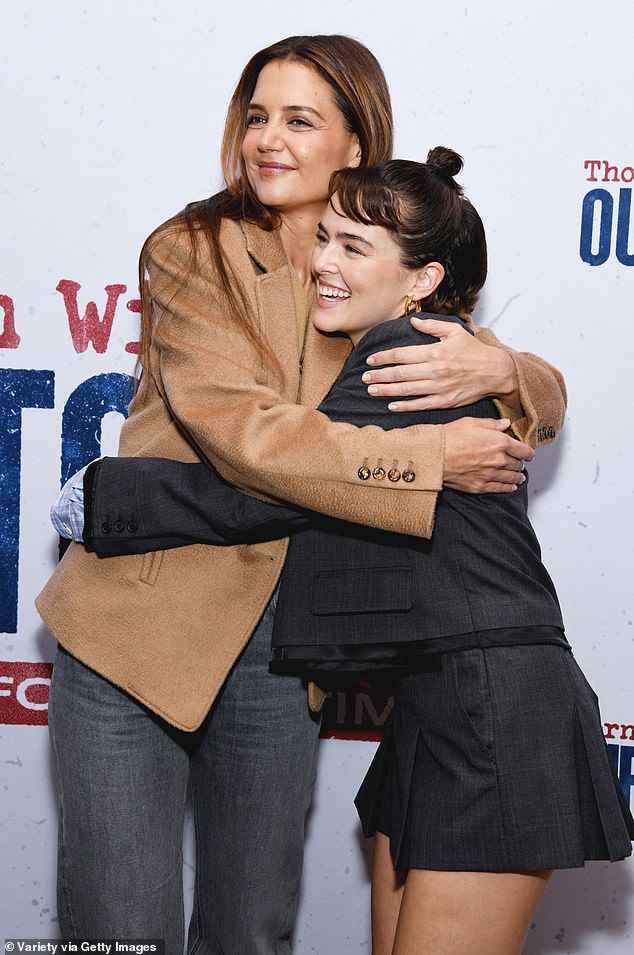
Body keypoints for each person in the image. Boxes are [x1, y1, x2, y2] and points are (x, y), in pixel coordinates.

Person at [38, 35, 566, 955]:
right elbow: (252, 440)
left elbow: (515, 383)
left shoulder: (373, 263)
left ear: (356, 146)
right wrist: (428, 460)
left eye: (298, 120)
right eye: (255, 117)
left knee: (251, 932)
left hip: (284, 654)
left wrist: (507, 364)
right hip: (138, 631)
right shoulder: (192, 248)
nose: (266, 140)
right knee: (121, 932)